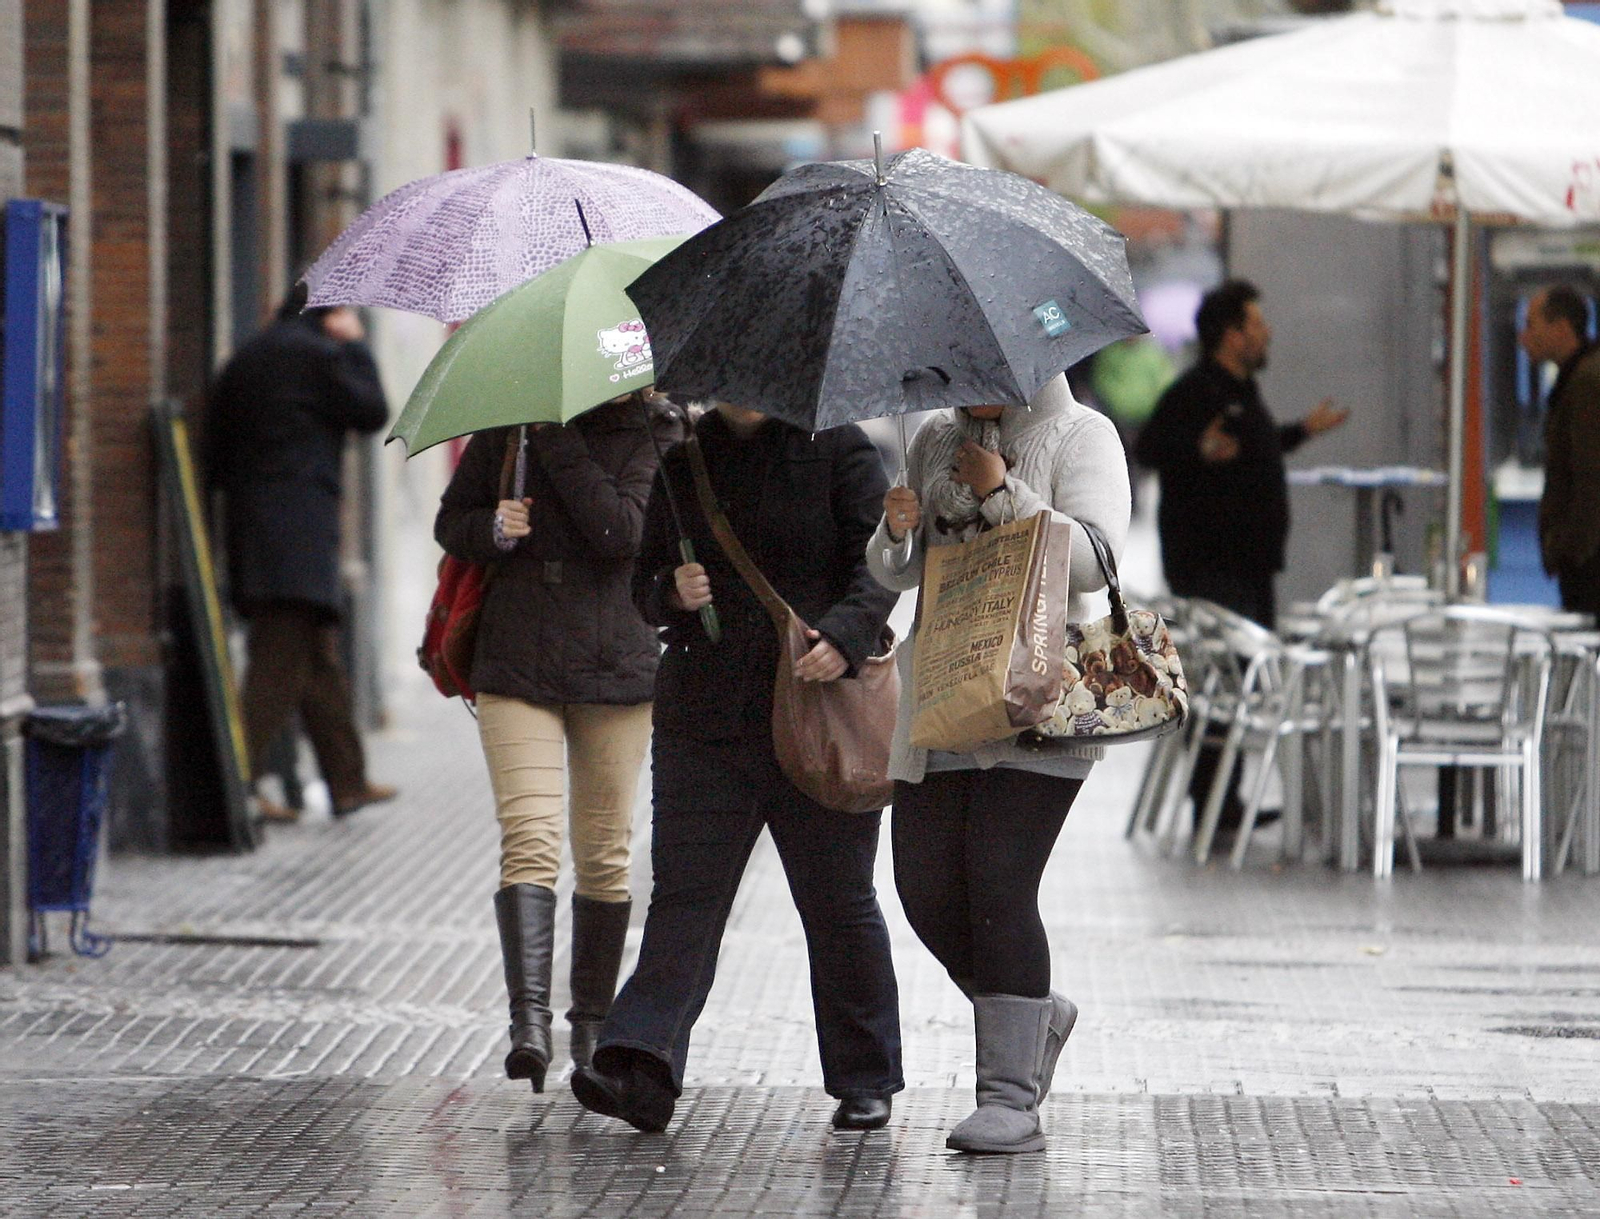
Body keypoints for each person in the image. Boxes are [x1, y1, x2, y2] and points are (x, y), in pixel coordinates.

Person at [570, 400, 903, 1135]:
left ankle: (866, 1075)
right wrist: (670, 592)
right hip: (705, 718)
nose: (743, 391)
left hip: (816, 712)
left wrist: (846, 636)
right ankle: (640, 1063)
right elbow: (643, 579)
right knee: (687, 895)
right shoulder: (684, 457)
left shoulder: (840, 447)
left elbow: (877, 567)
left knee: (837, 901)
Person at [867, 373, 1129, 1155]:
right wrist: (896, 531)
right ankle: (1035, 1012)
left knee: (997, 882)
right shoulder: (933, 441)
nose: (969, 390)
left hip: (1038, 703)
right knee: (923, 887)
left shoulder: (1083, 434)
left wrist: (1007, 490)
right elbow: (895, 574)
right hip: (947, 692)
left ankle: (1009, 1096)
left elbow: (1096, 561)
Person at [434, 392, 683, 1094]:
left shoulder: (658, 432)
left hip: (617, 663)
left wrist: (553, 436)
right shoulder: (507, 424)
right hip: (518, 658)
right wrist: (492, 527)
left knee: (604, 851)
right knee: (530, 837)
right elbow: (450, 519)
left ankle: (594, 1027)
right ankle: (529, 1026)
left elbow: (620, 531)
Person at [1133, 279, 1348, 835]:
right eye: (1256, 324)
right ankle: (1214, 802)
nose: (1266, 333)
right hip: (1212, 570)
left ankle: (1224, 798)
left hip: (1250, 569)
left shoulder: (1244, 393)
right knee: (1223, 688)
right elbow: (1151, 446)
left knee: (1238, 686)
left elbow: (1256, 448)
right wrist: (1197, 450)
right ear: (1231, 335)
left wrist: (1301, 431)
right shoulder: (1196, 392)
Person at [207, 289, 397, 823]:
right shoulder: (321, 356)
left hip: (253, 527)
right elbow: (372, 411)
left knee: (315, 658)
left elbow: (216, 456)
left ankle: (348, 781)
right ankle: (234, 788)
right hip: (300, 533)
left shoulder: (247, 357)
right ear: (332, 314)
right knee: (276, 662)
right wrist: (356, 347)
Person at [1521, 284, 1600, 615]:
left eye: (1531, 325)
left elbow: (1589, 477)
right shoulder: (1578, 377)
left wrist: (1568, 548)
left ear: (1561, 329)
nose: (1523, 337)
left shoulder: (1586, 383)